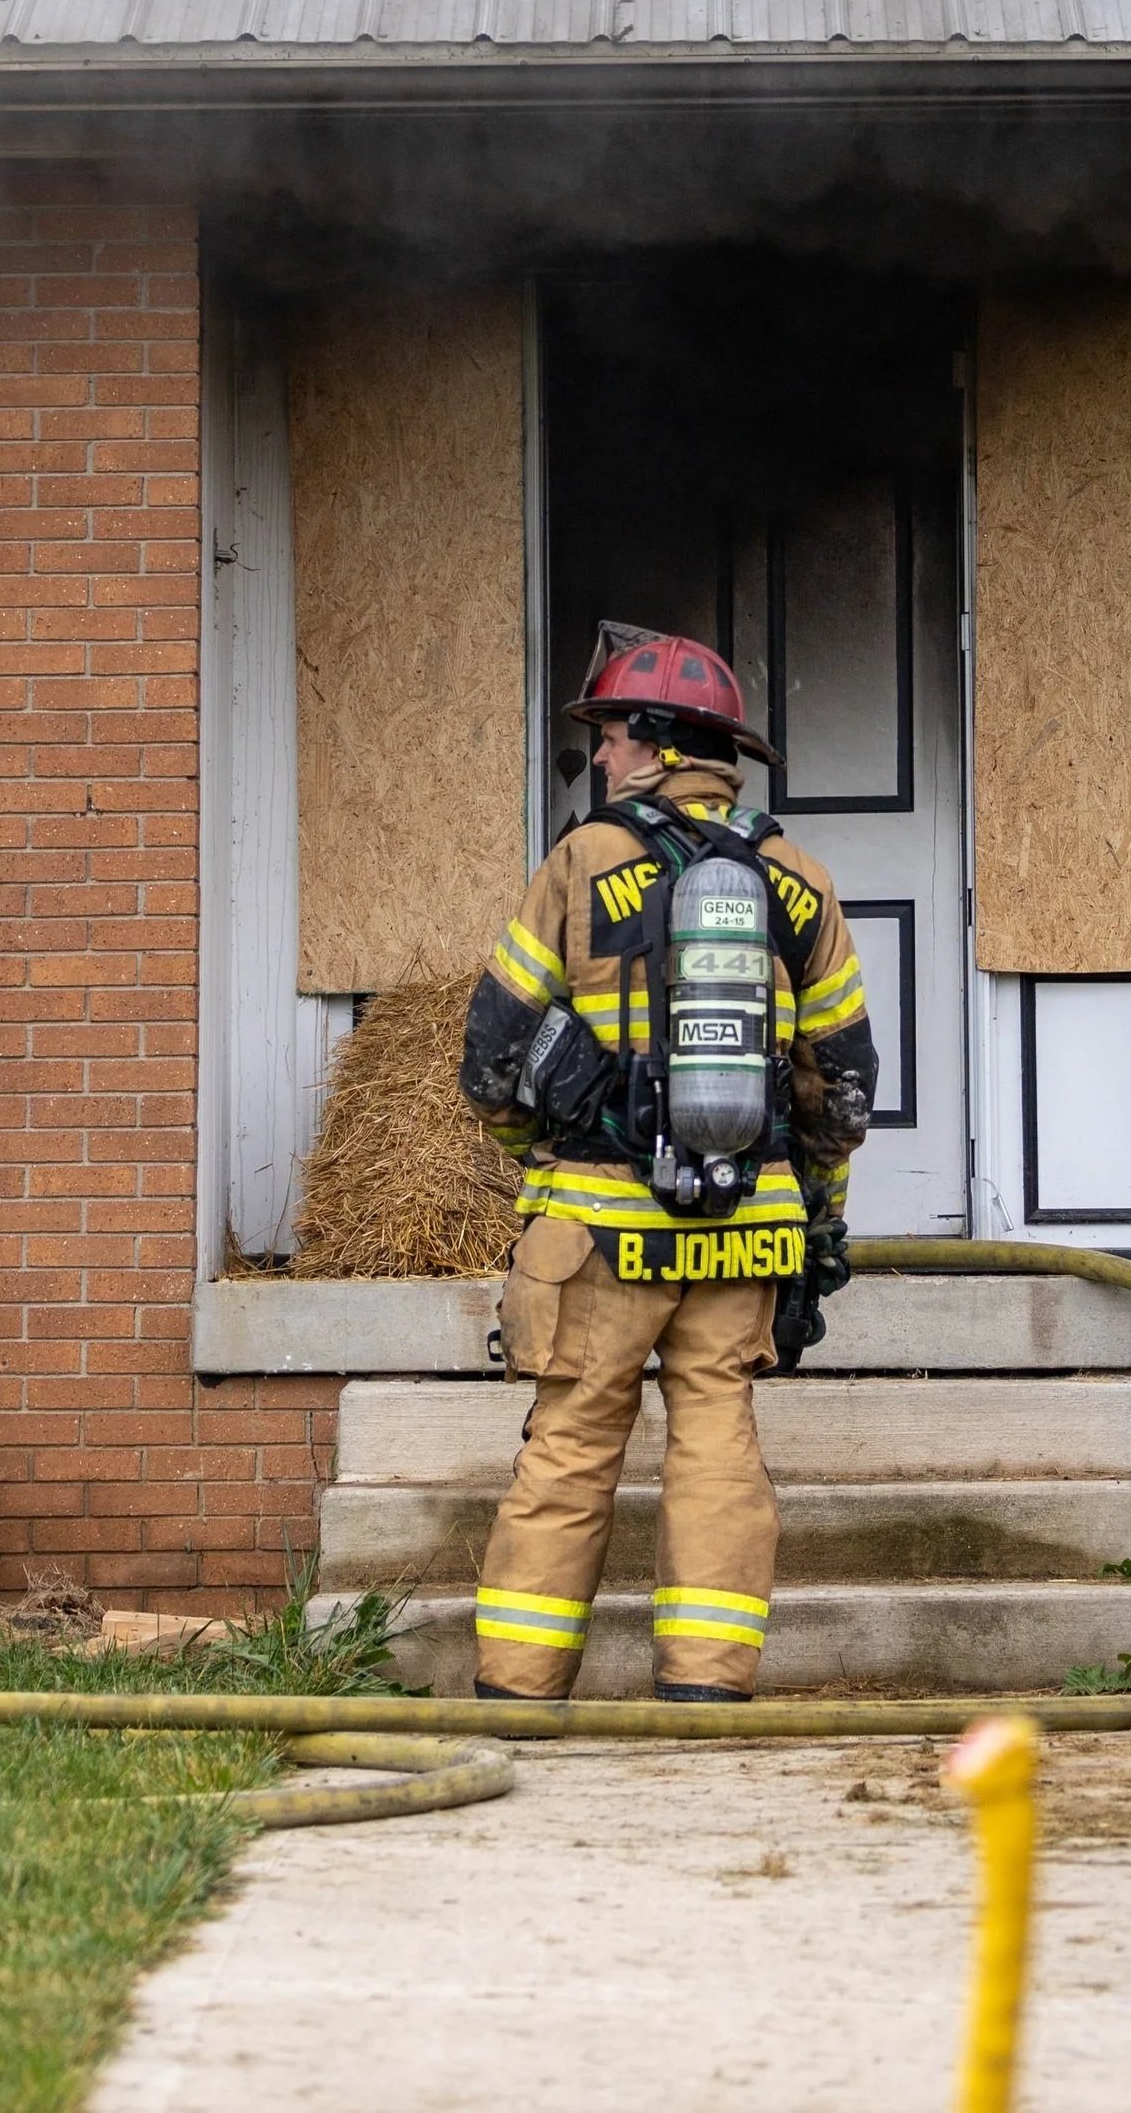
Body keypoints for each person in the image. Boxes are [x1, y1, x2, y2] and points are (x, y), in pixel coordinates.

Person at [456, 625, 879, 1701]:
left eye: (607, 737)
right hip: (748, 1227)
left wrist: (542, 1163)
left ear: (652, 744)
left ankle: (519, 1685)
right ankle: (704, 1684)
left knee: (570, 1442)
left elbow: (490, 1062)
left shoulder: (580, 861)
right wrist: (817, 1221)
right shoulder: (796, 877)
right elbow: (841, 1089)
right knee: (717, 1444)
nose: (597, 759)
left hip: (592, 1225)